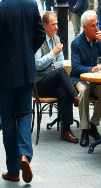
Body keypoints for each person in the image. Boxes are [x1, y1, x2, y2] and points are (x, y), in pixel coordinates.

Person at [0, 0, 46, 183]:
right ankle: (24, 155)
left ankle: (13, 170)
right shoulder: (30, 4)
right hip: (26, 71)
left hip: (6, 74)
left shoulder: (0, 8)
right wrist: (28, 52)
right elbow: (40, 34)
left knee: (8, 120)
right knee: (24, 114)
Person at [70, 10, 101, 148]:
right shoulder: (76, 43)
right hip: (79, 80)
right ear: (85, 28)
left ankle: (93, 124)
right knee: (84, 91)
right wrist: (91, 69)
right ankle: (85, 130)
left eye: (97, 24)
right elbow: (75, 67)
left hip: (96, 81)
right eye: (93, 25)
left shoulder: (99, 41)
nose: (96, 28)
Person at [34, 10, 79, 143]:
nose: (56, 27)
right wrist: (52, 54)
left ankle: (66, 130)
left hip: (53, 80)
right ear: (45, 26)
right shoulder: (37, 40)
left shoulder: (56, 39)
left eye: (57, 24)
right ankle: (76, 95)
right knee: (61, 72)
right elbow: (38, 65)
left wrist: (52, 63)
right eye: (53, 24)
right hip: (40, 83)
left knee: (63, 90)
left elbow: (61, 60)